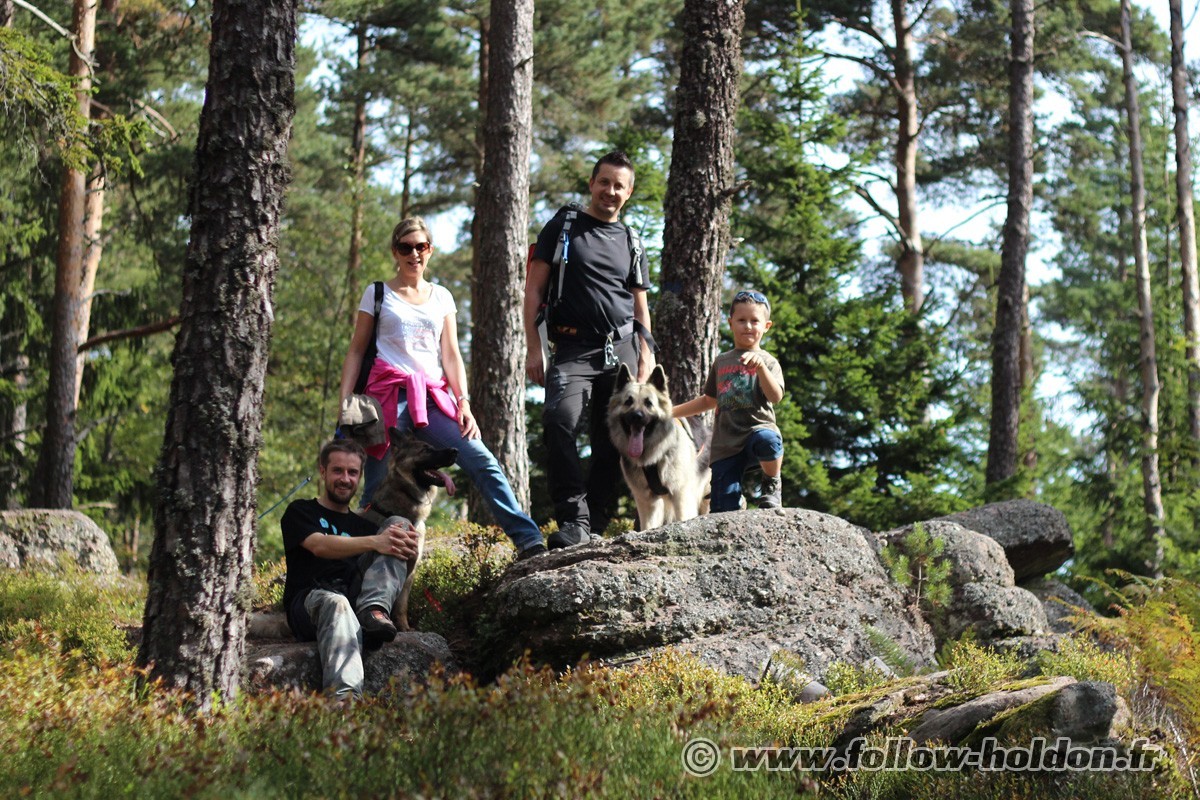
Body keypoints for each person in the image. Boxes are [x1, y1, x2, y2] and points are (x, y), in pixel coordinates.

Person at [339, 217, 546, 560]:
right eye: (406, 247)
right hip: (383, 402)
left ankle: (529, 540)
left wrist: (463, 402)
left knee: (482, 461)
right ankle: (352, 564)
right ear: (395, 252)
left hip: (433, 401)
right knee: (374, 489)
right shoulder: (377, 293)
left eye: (421, 246)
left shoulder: (442, 297)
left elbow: (450, 355)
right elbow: (357, 351)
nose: (414, 254)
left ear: (430, 250)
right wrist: (346, 403)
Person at [523, 151, 656, 548]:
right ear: (591, 183)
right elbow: (533, 289)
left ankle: (594, 523)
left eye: (619, 186)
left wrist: (647, 352)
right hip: (571, 347)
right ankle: (573, 519)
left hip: (622, 351)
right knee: (558, 421)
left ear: (628, 192)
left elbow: (639, 304)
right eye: (604, 182)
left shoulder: (631, 240)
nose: (610, 191)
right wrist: (534, 347)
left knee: (612, 438)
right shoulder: (564, 226)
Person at [281, 438, 421, 701]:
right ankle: (345, 704)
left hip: (357, 599)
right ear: (322, 471)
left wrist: (407, 552)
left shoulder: (366, 526)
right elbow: (319, 545)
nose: (345, 479)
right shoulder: (300, 511)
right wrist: (377, 542)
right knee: (337, 603)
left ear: (360, 476)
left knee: (399, 524)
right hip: (311, 602)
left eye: (352, 472)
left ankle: (373, 610)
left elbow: (389, 559)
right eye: (338, 471)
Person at [673, 290, 785, 511]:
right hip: (725, 444)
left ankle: (772, 483)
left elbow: (776, 396)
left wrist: (761, 369)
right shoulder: (722, 361)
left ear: (767, 326)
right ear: (731, 322)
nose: (748, 326)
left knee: (769, 442)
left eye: (755, 321)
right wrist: (671, 412)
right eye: (741, 320)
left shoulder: (769, 362)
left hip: (757, 431)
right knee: (722, 509)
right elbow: (708, 400)